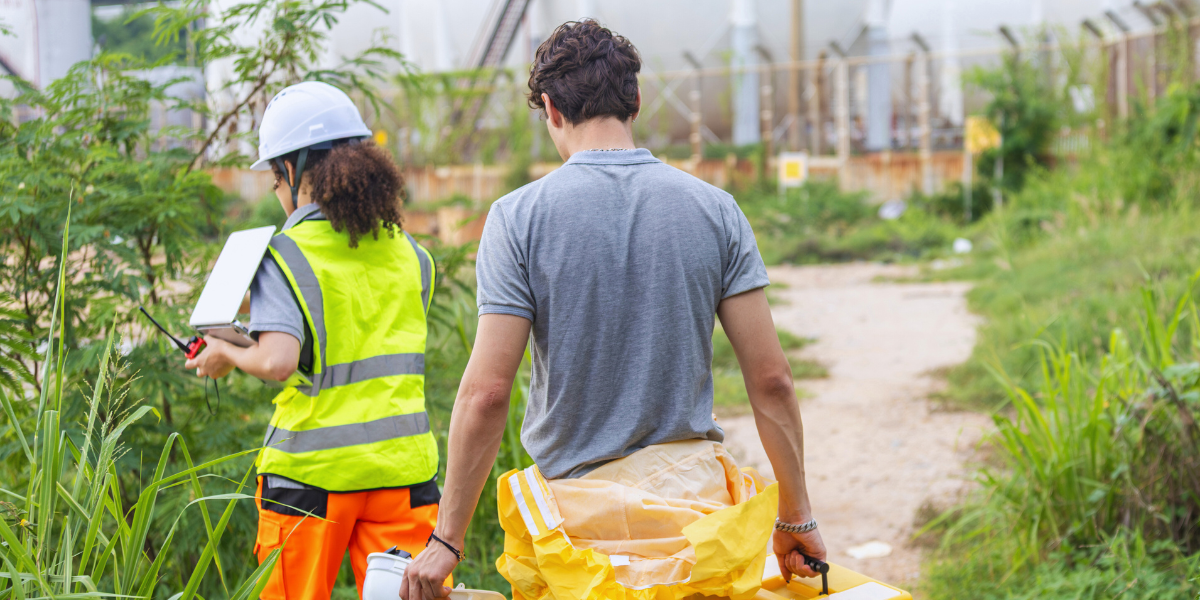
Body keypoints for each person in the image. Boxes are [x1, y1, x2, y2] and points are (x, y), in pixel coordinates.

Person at [400, 20, 826, 600]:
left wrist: (446, 542)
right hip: (698, 527)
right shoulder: (716, 210)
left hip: (577, 533)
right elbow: (772, 379)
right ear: (636, 100)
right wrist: (795, 518)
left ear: (549, 109)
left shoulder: (517, 218)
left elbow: (486, 393)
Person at [184, 81, 443, 600]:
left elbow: (279, 360)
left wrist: (226, 353)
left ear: (292, 172)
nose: (278, 195)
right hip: (403, 477)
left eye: (276, 180)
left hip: (309, 482)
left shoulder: (284, 254)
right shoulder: (411, 254)